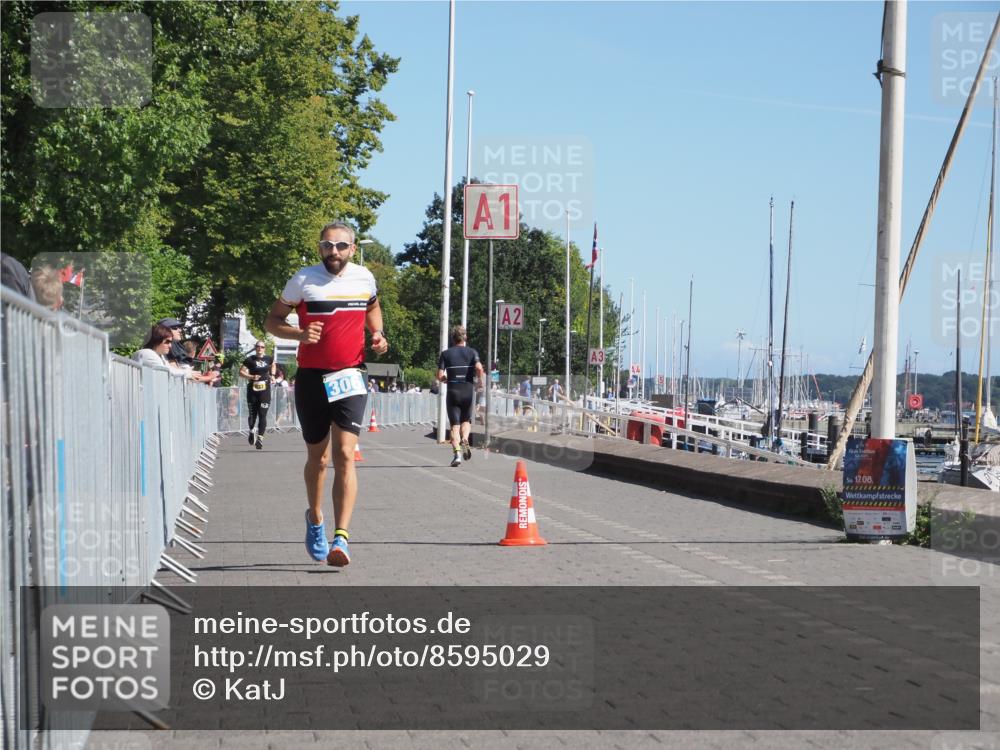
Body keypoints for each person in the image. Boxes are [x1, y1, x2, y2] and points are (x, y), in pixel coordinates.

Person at [264, 221, 388, 567]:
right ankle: (316, 518)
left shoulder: (364, 278)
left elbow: (373, 307)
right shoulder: (303, 280)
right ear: (319, 248)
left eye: (341, 246)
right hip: (312, 378)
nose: (334, 252)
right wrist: (299, 334)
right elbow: (271, 321)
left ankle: (342, 539)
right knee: (318, 459)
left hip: (349, 374)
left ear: (352, 249)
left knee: (345, 455)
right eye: (327, 245)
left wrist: (377, 334)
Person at [437, 325, 485, 467]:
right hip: (467, 390)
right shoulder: (472, 352)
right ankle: (465, 438)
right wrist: (480, 382)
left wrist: (445, 380)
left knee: (454, 426)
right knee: (466, 421)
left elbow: (439, 375)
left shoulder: (445, 354)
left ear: (452, 338)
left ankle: (457, 454)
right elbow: (479, 368)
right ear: (465, 338)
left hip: (453, 391)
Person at [158, 318, 217, 384]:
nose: (180, 330)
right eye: (175, 328)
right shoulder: (172, 345)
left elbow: (178, 372)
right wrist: (210, 377)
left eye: (179, 327)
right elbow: (176, 372)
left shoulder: (173, 346)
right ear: (164, 330)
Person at [240, 341, 276, 450]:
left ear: (264, 348)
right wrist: (251, 377)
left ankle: (260, 438)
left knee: (262, 414)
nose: (260, 348)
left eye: (262, 347)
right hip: (252, 391)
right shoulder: (250, 360)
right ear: (255, 348)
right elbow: (241, 372)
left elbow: (273, 364)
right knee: (253, 415)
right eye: (258, 347)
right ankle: (251, 431)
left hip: (265, 391)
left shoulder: (268, 358)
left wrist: (273, 375)